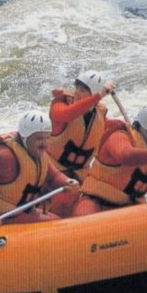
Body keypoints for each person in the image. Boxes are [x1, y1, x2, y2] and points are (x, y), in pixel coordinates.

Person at [0, 110, 78, 227]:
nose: (45, 144)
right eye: (39, 138)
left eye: (47, 138)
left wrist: (67, 182)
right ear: (25, 137)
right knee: (55, 224)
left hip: (18, 212)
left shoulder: (38, 153)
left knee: (58, 220)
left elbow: (54, 177)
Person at [71, 105, 147, 216]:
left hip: (126, 213)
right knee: (84, 213)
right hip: (97, 203)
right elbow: (126, 156)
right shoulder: (118, 136)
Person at [46, 70, 115, 215]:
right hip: (52, 169)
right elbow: (66, 114)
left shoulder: (100, 115)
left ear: (93, 94)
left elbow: (111, 132)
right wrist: (98, 96)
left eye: (83, 90)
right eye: (77, 88)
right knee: (65, 198)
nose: (77, 93)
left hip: (79, 174)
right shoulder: (60, 104)